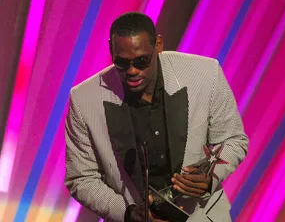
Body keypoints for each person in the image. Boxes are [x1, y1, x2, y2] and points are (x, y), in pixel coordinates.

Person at [64, 12, 248, 222]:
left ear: (158, 44)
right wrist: (129, 213)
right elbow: (82, 178)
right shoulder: (84, 99)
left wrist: (210, 177)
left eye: (142, 61)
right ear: (111, 50)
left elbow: (233, 140)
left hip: (202, 216)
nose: (132, 71)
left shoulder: (205, 74)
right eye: (122, 63)